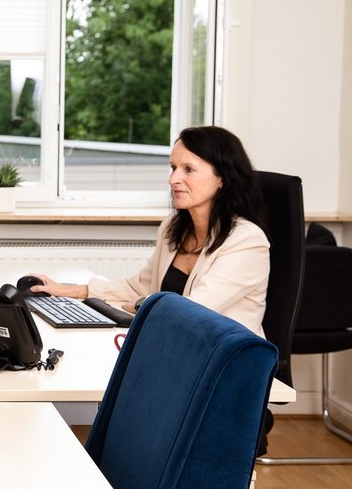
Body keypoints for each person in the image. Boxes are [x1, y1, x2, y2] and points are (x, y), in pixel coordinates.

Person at [29, 126, 270, 336]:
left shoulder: (246, 241)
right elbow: (141, 287)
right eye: (173, 167)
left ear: (222, 178)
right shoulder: (174, 228)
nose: (173, 179)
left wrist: (140, 305)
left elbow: (194, 311)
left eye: (188, 169)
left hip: (225, 363)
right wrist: (71, 290)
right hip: (180, 346)